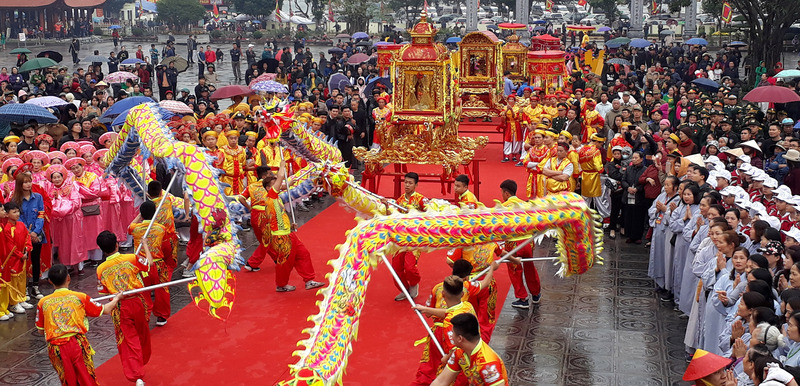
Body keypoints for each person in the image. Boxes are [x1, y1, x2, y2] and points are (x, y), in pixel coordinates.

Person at [36, 264, 122, 386]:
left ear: (50, 281)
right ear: (68, 278)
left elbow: (40, 330)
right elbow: (105, 310)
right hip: (76, 344)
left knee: (67, 380)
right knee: (86, 377)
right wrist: (116, 298)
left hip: (55, 348)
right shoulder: (80, 297)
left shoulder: (43, 302)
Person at [246, 159, 324, 292]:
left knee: (303, 254)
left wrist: (290, 226)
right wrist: (282, 166)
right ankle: (281, 285)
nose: (279, 184)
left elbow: (279, 216)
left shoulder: (276, 199)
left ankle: (309, 280)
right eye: (276, 183)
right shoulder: (271, 196)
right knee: (284, 263)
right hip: (281, 237)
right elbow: (281, 176)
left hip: (287, 233)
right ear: (269, 188)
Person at [95, 231, 152, 386]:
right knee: (142, 333)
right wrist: (145, 246)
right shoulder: (132, 258)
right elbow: (148, 265)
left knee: (128, 339)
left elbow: (104, 292)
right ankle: (139, 366)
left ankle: (136, 372)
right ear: (117, 244)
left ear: (102, 249)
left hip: (120, 306)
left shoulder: (101, 269)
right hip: (138, 302)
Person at [411, 274, 479, 386]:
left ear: (443, 294)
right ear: (462, 294)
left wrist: (445, 359)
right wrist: (426, 309)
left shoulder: (449, 323)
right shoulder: (468, 306)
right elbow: (450, 312)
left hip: (462, 359)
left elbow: (454, 350)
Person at [430, 313, 509, 386]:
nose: (451, 336)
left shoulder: (487, 363)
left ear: (460, 338)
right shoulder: (459, 352)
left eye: (452, 333)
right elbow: (441, 381)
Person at [497, 179, 541, 308]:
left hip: (513, 243)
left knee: (515, 270)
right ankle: (536, 293)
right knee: (530, 267)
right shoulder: (525, 205)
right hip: (527, 242)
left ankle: (522, 298)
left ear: (506, 193)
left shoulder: (503, 208)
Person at [389, 172, 428, 301]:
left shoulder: (421, 200)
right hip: (401, 238)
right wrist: (385, 205)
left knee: (410, 267)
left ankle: (413, 283)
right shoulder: (399, 200)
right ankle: (404, 290)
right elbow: (392, 215)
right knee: (396, 267)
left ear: (416, 185)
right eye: (405, 182)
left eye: (410, 183)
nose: (407, 185)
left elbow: (431, 214)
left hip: (415, 238)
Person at [3, 202, 33, 314]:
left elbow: (27, 237)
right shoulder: (6, 228)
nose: (17, 214)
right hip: (13, 259)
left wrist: (27, 249)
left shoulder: (21, 225)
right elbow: (10, 245)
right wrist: (20, 255)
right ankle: (14, 303)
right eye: (14, 212)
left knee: (22, 279)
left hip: (23, 257)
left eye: (18, 211)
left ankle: (22, 298)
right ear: (7, 214)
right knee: (13, 280)